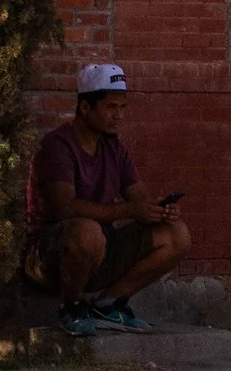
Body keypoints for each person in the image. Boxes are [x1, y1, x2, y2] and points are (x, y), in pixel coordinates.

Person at [25, 64, 189, 336]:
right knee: (87, 231)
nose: (119, 116)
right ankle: (73, 308)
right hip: (48, 259)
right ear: (86, 107)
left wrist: (158, 210)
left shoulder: (114, 147)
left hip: (100, 251)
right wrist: (128, 210)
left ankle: (108, 304)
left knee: (176, 234)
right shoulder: (57, 146)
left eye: (123, 108)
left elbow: (139, 197)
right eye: (111, 107)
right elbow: (65, 207)